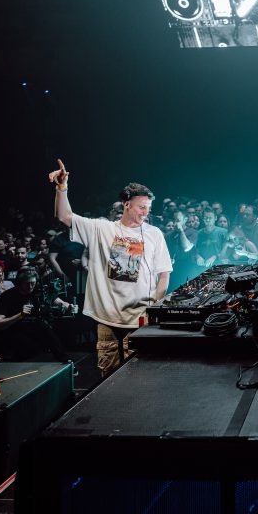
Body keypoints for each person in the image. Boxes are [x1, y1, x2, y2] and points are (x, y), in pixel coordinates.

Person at [48, 159, 172, 378]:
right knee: (108, 376)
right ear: (126, 204)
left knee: (138, 376)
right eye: (141, 207)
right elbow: (65, 216)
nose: (145, 212)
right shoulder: (101, 229)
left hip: (140, 318)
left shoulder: (154, 234)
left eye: (148, 208)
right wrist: (62, 187)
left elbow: (164, 274)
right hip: (107, 319)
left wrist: (154, 306)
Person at [0, 267, 73, 362]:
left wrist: (68, 306)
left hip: (35, 327)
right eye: (27, 283)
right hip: (15, 329)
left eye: (33, 283)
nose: (30, 287)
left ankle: (66, 361)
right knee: (28, 348)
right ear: (20, 282)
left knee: (46, 330)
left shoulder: (38, 290)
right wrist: (20, 315)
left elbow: (58, 301)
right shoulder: (7, 296)